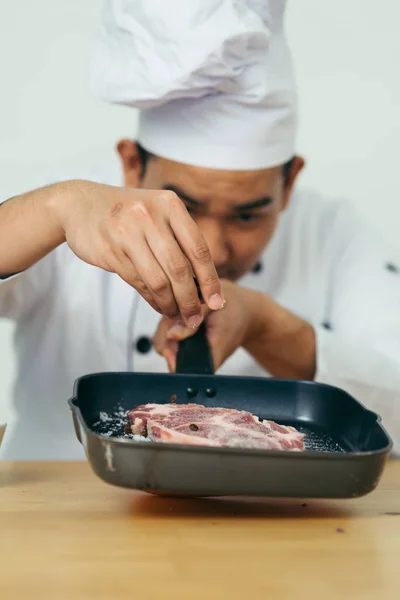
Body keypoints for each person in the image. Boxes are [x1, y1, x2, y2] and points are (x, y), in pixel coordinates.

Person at [0, 0, 399, 459]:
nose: (211, 245)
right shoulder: (72, 216)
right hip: (56, 511)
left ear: (289, 183)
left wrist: (266, 324)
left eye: (247, 215)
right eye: (183, 206)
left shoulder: (333, 236)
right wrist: (52, 209)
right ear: (131, 165)